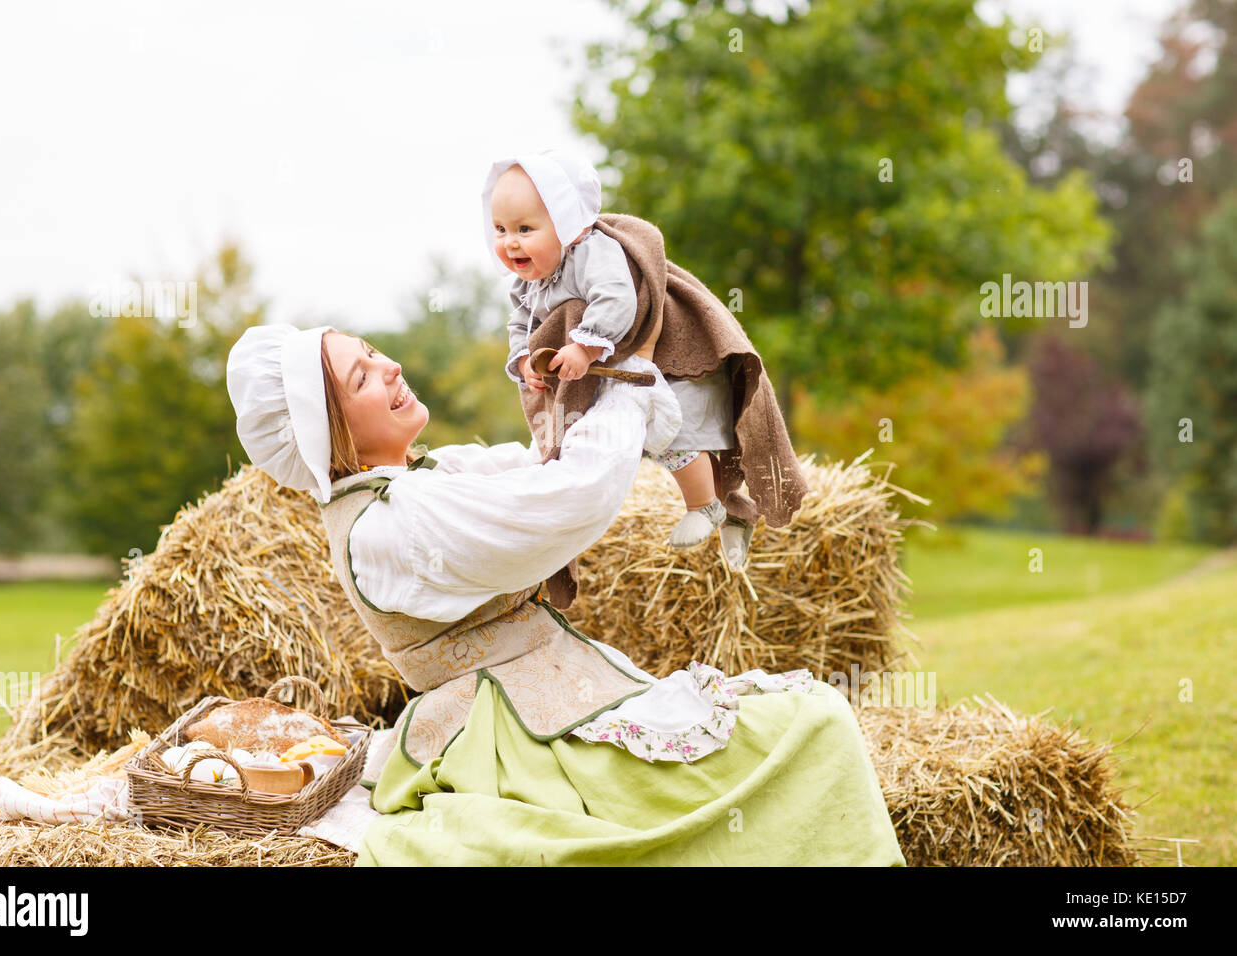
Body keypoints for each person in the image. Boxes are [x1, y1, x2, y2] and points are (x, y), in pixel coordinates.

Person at [226, 321, 905, 866]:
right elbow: (566, 502)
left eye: (375, 354)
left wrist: (581, 368)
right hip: (517, 742)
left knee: (811, 716)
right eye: (362, 377)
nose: (391, 368)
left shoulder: (432, 476)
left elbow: (539, 466)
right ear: (331, 433)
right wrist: (627, 399)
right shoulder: (389, 526)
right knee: (816, 721)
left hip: (557, 704)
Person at [484, 148, 737, 552]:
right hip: (580, 379)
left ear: (571, 226)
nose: (510, 243)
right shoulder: (527, 282)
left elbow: (617, 297)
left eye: (525, 229)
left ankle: (704, 505)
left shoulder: (590, 252)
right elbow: (520, 323)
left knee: (667, 434)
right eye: (500, 229)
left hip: (628, 360)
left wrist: (584, 347)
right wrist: (522, 358)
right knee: (576, 442)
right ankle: (559, 519)